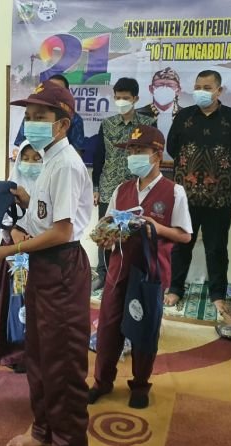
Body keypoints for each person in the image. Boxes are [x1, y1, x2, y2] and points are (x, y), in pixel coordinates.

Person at [0, 80, 93, 446]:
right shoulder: (46, 160)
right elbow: (42, 218)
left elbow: (62, 232)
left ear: (62, 124)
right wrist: (19, 217)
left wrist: (8, 251)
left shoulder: (67, 164)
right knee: (39, 355)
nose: (30, 123)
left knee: (64, 363)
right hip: (41, 265)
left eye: (40, 116)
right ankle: (43, 429)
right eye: (28, 116)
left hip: (62, 268)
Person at [89, 125, 192, 409]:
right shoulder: (122, 190)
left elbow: (185, 235)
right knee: (109, 327)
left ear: (157, 154)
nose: (133, 155)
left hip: (150, 273)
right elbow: (107, 224)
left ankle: (140, 384)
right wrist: (106, 235)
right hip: (119, 268)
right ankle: (102, 381)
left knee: (144, 329)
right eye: (131, 150)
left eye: (139, 150)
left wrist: (155, 227)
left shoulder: (174, 192)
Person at [164, 70, 231, 317]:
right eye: (198, 86)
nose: (201, 91)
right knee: (181, 245)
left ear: (219, 91)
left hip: (219, 197)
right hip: (185, 197)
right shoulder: (184, 117)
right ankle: (175, 288)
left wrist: (217, 168)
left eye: (207, 87)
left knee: (217, 248)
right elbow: (172, 147)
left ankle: (217, 294)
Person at [92, 78, 155, 291]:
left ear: (135, 98)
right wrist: (96, 188)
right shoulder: (107, 124)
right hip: (109, 187)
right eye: (117, 97)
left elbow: (153, 157)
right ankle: (103, 273)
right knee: (106, 231)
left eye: (125, 98)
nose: (121, 102)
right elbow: (99, 157)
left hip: (137, 189)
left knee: (134, 234)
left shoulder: (148, 124)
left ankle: (132, 274)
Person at [0, 141, 42, 372]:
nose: (30, 163)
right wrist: (12, 231)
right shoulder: (10, 187)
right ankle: (15, 352)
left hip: (41, 251)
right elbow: (0, 215)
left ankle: (37, 352)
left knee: (38, 302)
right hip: (14, 252)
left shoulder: (49, 186)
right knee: (15, 299)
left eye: (37, 159)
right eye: (26, 158)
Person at [14, 74, 85, 153]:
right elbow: (21, 145)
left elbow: (77, 149)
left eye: (40, 117)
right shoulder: (30, 117)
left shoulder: (75, 119)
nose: (51, 91)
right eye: (49, 87)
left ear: (63, 125)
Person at [137, 67, 183, 161]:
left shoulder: (186, 115)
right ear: (151, 89)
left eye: (170, 85)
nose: (164, 89)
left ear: (178, 90)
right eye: (160, 85)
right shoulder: (138, 114)